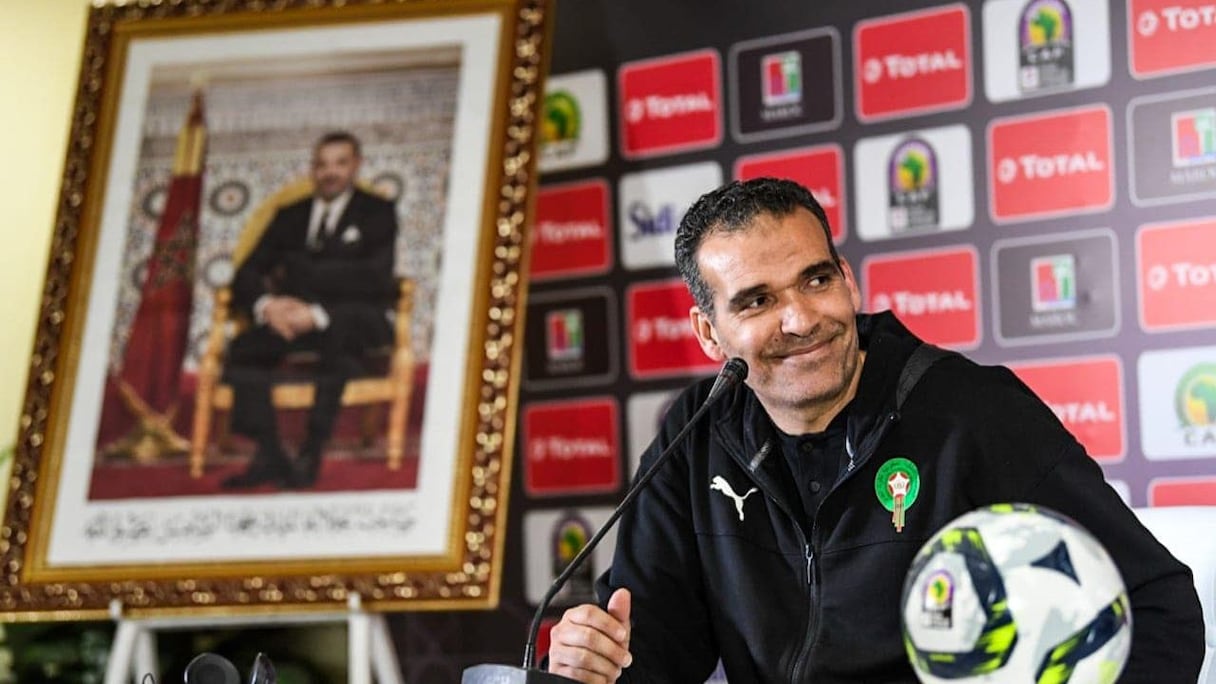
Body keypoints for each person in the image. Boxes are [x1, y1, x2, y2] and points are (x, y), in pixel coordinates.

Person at [546, 178, 1205, 682]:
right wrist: (598, 662)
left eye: (816, 279)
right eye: (758, 300)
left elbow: (1157, 609)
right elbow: (655, 653)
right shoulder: (694, 437)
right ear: (709, 332)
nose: (801, 318)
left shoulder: (972, 414)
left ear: (849, 283)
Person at [221, 131, 398, 489]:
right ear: (312, 169)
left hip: (351, 318)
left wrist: (315, 312)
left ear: (356, 166)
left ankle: (311, 450)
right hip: (291, 322)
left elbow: (375, 278)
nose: (330, 172)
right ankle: (269, 452)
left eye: (340, 163)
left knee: (339, 340)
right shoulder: (289, 216)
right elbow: (248, 272)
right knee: (243, 351)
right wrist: (268, 305)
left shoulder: (377, 211)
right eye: (322, 164)